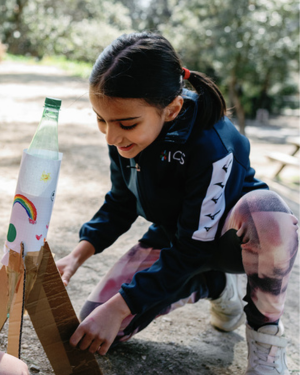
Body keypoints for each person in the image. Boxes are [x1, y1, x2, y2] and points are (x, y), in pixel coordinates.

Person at [56, 32, 298, 375]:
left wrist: (122, 304)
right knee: (99, 329)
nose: (110, 136)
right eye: (101, 119)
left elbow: (195, 248)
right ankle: (212, 284)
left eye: (125, 124)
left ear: (171, 109)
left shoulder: (210, 143)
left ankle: (265, 336)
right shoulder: (122, 134)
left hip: (230, 243)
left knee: (268, 211)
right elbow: (120, 202)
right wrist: (77, 254)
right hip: (179, 238)